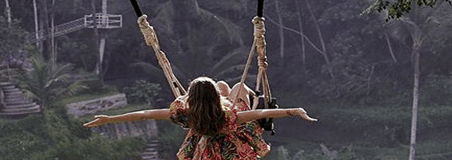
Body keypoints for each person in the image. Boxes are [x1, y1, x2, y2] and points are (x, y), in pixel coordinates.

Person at [84, 76, 316, 160]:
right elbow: (263, 113)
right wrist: (294, 111)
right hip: (231, 138)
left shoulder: (185, 114)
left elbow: (145, 114)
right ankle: (245, 93)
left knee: (226, 84)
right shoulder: (230, 116)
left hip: (204, 143)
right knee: (239, 86)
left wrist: (108, 119)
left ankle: (223, 90)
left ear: (190, 98)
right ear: (215, 97)